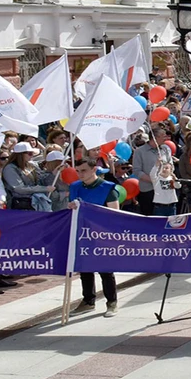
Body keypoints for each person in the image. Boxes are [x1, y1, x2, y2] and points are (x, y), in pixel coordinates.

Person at [68, 158, 121, 317]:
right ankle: (88, 300)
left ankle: (112, 302)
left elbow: (115, 214)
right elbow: (72, 209)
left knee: (105, 270)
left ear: (94, 169)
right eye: (78, 171)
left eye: (83, 170)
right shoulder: (75, 186)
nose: (80, 174)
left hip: (101, 234)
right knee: (85, 269)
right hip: (82, 233)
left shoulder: (107, 188)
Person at [3, 142, 53, 210]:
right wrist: (44, 188)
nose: (32, 156)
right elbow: (19, 188)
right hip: (19, 205)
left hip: (32, 203)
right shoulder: (10, 168)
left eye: (32, 153)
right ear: (20, 154)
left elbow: (41, 177)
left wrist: (54, 172)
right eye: (29, 154)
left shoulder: (30, 165)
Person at [131, 127, 165, 216]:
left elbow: (170, 165)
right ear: (154, 138)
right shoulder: (139, 151)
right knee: (149, 215)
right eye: (163, 136)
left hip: (164, 189)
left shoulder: (165, 149)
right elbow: (137, 171)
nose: (165, 138)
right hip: (148, 190)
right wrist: (153, 179)